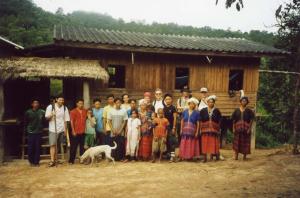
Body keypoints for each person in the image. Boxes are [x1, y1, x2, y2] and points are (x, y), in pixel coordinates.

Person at [45, 95, 70, 167]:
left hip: (61, 129)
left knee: (58, 145)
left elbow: (66, 120)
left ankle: (56, 159)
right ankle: (52, 160)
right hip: (53, 129)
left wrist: (65, 130)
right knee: (52, 145)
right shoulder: (51, 107)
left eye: (62, 100)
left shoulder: (65, 108)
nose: (61, 101)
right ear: (56, 100)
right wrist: (52, 115)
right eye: (60, 100)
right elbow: (46, 118)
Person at [200, 95, 222, 162]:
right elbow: (200, 120)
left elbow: (220, 120)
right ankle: (204, 158)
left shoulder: (217, 110)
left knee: (213, 143)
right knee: (204, 143)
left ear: (214, 103)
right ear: (207, 102)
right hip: (205, 129)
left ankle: (213, 156)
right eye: (209, 102)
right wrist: (200, 129)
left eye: (212, 102)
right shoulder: (203, 110)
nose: (210, 103)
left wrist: (218, 128)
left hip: (214, 130)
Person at [24, 99, 45, 167]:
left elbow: (45, 120)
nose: (36, 104)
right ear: (32, 104)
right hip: (31, 132)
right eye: (35, 103)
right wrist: (28, 128)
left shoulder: (42, 112)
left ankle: (36, 162)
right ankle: (31, 161)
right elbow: (26, 121)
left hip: (39, 132)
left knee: (38, 147)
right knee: (31, 147)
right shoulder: (28, 112)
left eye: (37, 103)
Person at [69, 99, 87, 164]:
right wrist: (73, 131)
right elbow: (71, 122)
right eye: (80, 103)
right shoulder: (73, 111)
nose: (81, 105)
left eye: (82, 103)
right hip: (75, 132)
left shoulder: (85, 111)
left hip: (83, 132)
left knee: (82, 147)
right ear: (77, 104)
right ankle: (71, 160)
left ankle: (81, 159)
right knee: (74, 147)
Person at [163, 94, 178, 162]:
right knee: (167, 142)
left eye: (169, 99)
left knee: (172, 141)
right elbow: (163, 119)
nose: (168, 100)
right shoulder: (164, 108)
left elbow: (175, 118)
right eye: (166, 99)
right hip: (165, 128)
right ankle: (169, 155)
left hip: (171, 127)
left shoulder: (173, 108)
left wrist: (174, 127)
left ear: (171, 100)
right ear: (165, 100)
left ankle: (172, 156)